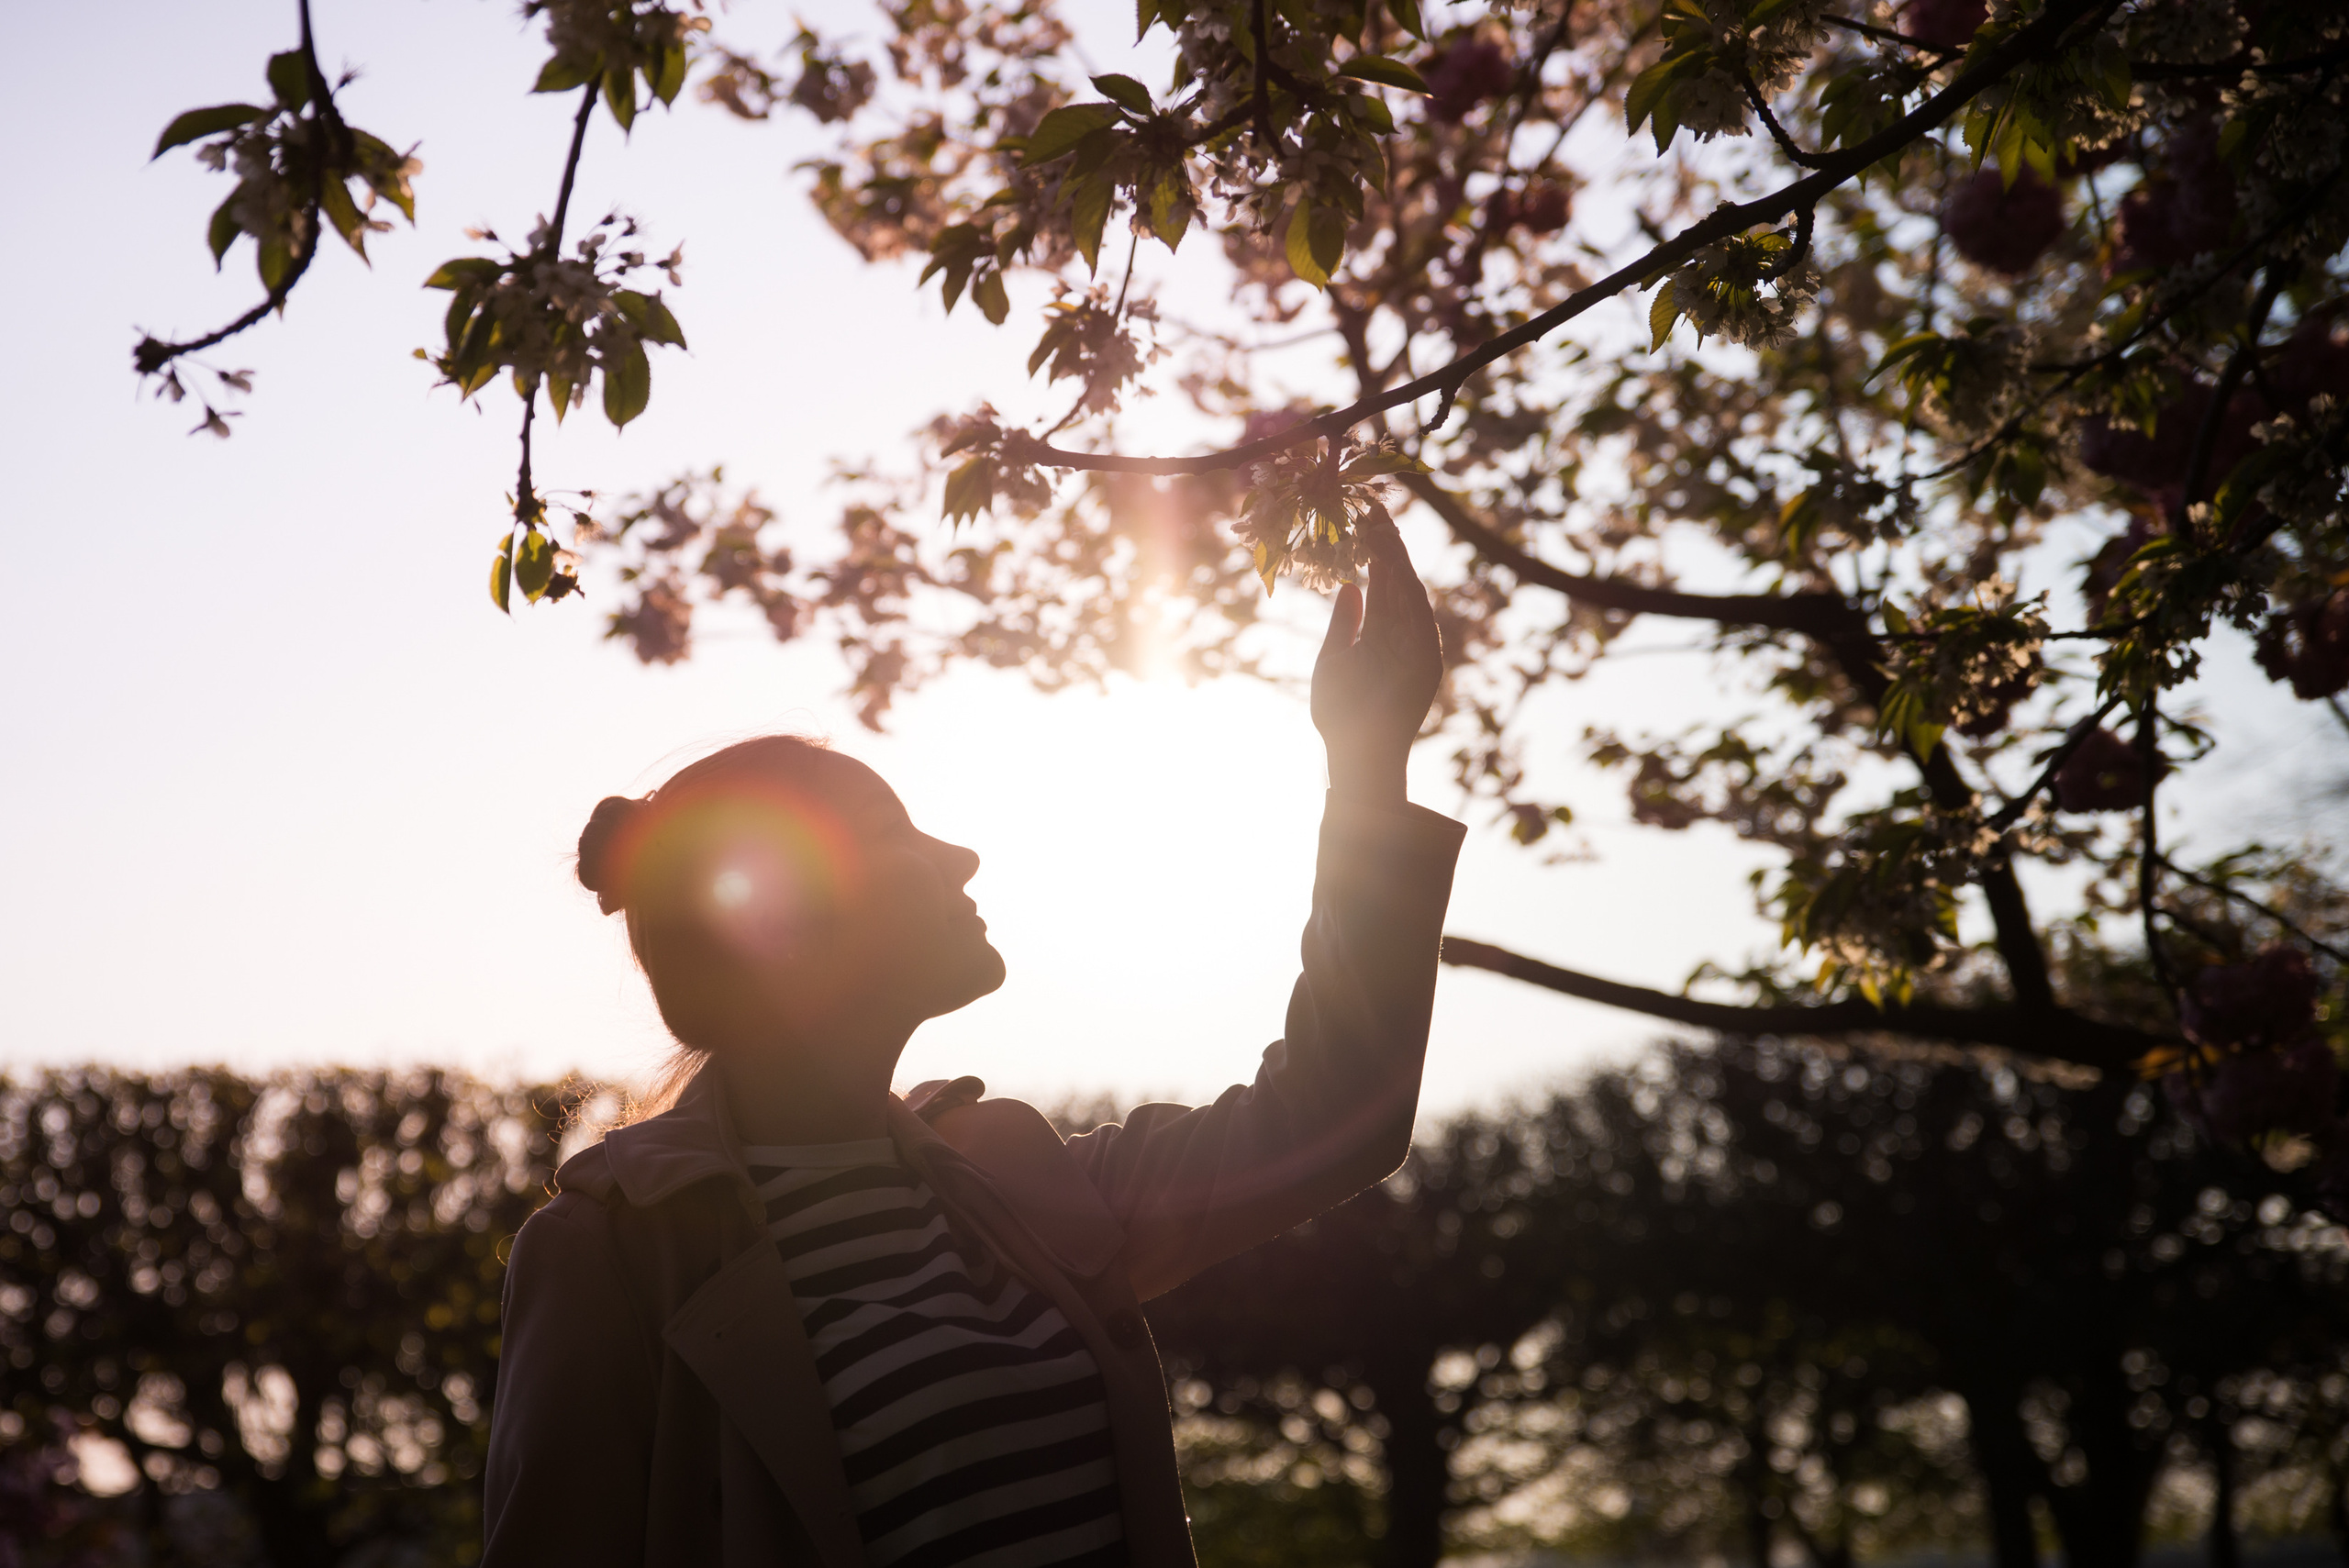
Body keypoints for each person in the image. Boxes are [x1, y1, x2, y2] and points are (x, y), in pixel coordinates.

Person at [483, 507, 1465, 1568]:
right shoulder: (611, 1256)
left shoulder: (1018, 1179)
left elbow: (1335, 1111)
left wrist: (1367, 768)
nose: (961, 855)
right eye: (893, 832)